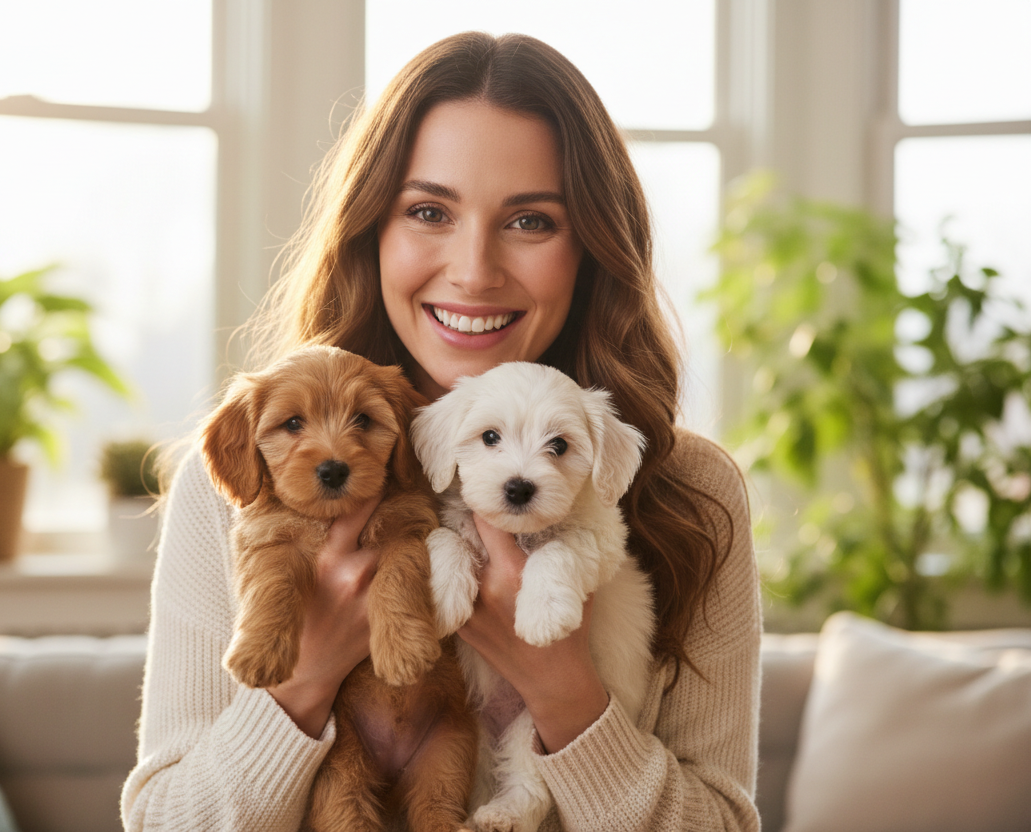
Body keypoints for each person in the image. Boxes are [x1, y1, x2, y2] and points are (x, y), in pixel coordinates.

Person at [121, 31, 761, 832]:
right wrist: (307, 678)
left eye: (530, 221)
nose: (473, 269)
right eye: (429, 211)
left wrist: (565, 694)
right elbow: (165, 821)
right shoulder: (243, 487)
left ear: (592, 248)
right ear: (371, 232)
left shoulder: (690, 492)